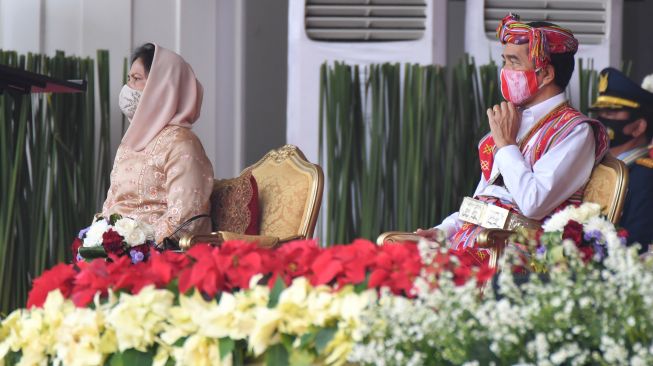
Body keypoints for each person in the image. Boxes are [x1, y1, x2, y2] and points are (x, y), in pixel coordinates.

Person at [416, 14, 608, 263]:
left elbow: (533, 204)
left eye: (514, 62)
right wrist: (444, 231)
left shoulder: (574, 130)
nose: (505, 71)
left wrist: (506, 145)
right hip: (476, 244)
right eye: (504, 61)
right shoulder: (514, 120)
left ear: (546, 74)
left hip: (520, 257)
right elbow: (485, 198)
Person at [102, 43, 214, 244]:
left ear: (162, 87)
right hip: (116, 253)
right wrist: (99, 240)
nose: (128, 88)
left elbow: (186, 218)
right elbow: (111, 205)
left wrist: (135, 247)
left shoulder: (182, 143)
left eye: (136, 79)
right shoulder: (129, 143)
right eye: (128, 79)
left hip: (157, 258)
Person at [591, 67, 653, 251]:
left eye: (611, 114)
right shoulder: (596, 164)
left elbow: (635, 242)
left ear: (639, 127)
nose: (602, 120)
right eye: (600, 113)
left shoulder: (645, 177)